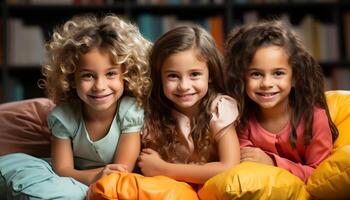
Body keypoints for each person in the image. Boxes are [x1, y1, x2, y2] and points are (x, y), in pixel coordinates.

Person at [0, 13, 151, 199]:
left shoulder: (130, 112)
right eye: (88, 75)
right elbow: (62, 169)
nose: (100, 86)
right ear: (71, 79)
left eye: (111, 74)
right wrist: (95, 176)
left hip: (117, 185)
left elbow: (121, 172)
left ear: (126, 76)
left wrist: (99, 178)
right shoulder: (63, 116)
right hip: (75, 181)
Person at [224, 20, 339, 182]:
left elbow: (321, 176)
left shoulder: (314, 119)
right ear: (242, 77)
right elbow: (244, 168)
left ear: (295, 77)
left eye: (278, 73)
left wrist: (272, 162)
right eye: (256, 74)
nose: (266, 83)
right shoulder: (240, 119)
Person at [138, 25, 241, 185]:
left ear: (211, 74)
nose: (184, 86)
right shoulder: (150, 113)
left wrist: (164, 169)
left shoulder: (219, 108)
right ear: (159, 78)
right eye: (173, 76)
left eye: (194, 74)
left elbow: (229, 167)